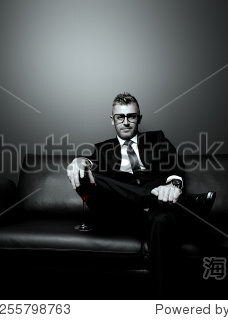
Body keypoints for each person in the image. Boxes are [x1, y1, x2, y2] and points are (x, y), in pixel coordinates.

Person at [66, 92, 215, 297]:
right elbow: (92, 167)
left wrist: (172, 186)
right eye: (120, 117)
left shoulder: (157, 139)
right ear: (112, 120)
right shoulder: (102, 149)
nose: (126, 122)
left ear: (139, 118)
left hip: (158, 207)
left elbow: (174, 167)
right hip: (121, 209)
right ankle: (184, 203)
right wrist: (81, 161)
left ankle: (161, 306)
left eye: (131, 116)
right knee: (89, 175)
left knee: (162, 220)